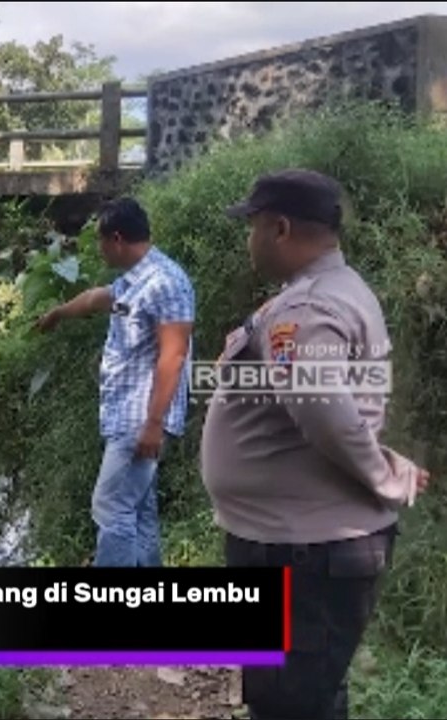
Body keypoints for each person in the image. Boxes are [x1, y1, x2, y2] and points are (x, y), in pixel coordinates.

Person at [202, 169, 431, 719]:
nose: (249, 239)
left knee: (289, 705)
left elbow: (325, 411)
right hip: (305, 547)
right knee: (311, 697)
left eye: (253, 226)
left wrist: (385, 475)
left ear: (279, 228)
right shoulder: (324, 295)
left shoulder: (306, 310)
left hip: (302, 553)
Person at [36, 197, 195, 567]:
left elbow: (174, 355)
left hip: (141, 419)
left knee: (111, 507)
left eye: (100, 241)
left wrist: (154, 425)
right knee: (139, 510)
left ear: (118, 239)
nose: (98, 249)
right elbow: (95, 299)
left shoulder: (166, 283)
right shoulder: (133, 281)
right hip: (126, 417)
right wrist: (58, 314)